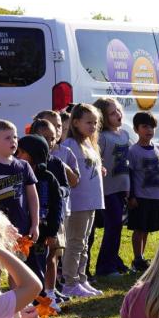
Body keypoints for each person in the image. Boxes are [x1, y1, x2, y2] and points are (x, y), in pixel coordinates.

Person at [55, 103, 105, 298]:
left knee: (84, 243)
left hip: (91, 200)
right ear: (75, 123)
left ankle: (81, 278)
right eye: (88, 122)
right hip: (78, 201)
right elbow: (68, 172)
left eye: (95, 123)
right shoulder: (70, 145)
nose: (92, 126)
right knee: (75, 242)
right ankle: (69, 281)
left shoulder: (89, 143)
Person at [0, 121, 40, 245]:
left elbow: (33, 197)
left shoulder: (23, 165)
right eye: (7, 138)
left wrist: (35, 224)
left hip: (21, 228)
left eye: (15, 137)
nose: (13, 141)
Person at [16, 135, 64, 300]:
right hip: (21, 231)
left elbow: (57, 205)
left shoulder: (48, 178)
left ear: (34, 154)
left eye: (21, 152)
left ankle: (43, 297)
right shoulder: (17, 175)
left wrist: (52, 232)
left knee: (39, 264)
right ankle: (25, 298)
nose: (17, 155)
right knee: (21, 266)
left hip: (41, 233)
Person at [93, 98, 132, 276]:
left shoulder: (124, 134)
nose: (117, 115)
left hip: (121, 188)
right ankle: (104, 267)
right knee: (113, 225)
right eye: (112, 113)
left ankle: (114, 261)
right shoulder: (101, 138)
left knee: (117, 226)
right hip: (106, 189)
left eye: (118, 110)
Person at [125, 112, 159, 272]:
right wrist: (132, 196)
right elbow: (130, 174)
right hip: (140, 197)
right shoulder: (133, 151)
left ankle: (142, 258)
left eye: (151, 126)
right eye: (144, 126)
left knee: (148, 228)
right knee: (139, 228)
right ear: (136, 129)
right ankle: (137, 258)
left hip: (155, 197)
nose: (148, 130)